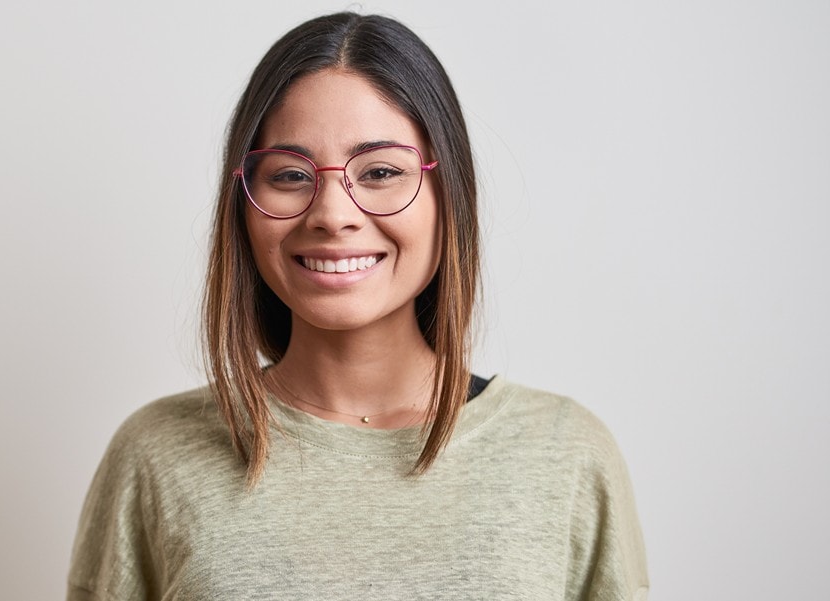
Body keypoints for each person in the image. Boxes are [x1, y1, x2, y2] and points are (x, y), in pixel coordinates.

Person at [68, 12, 648, 601]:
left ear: (450, 194)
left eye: (381, 171)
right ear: (243, 203)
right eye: (290, 175)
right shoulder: (155, 454)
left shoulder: (567, 455)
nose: (332, 214)